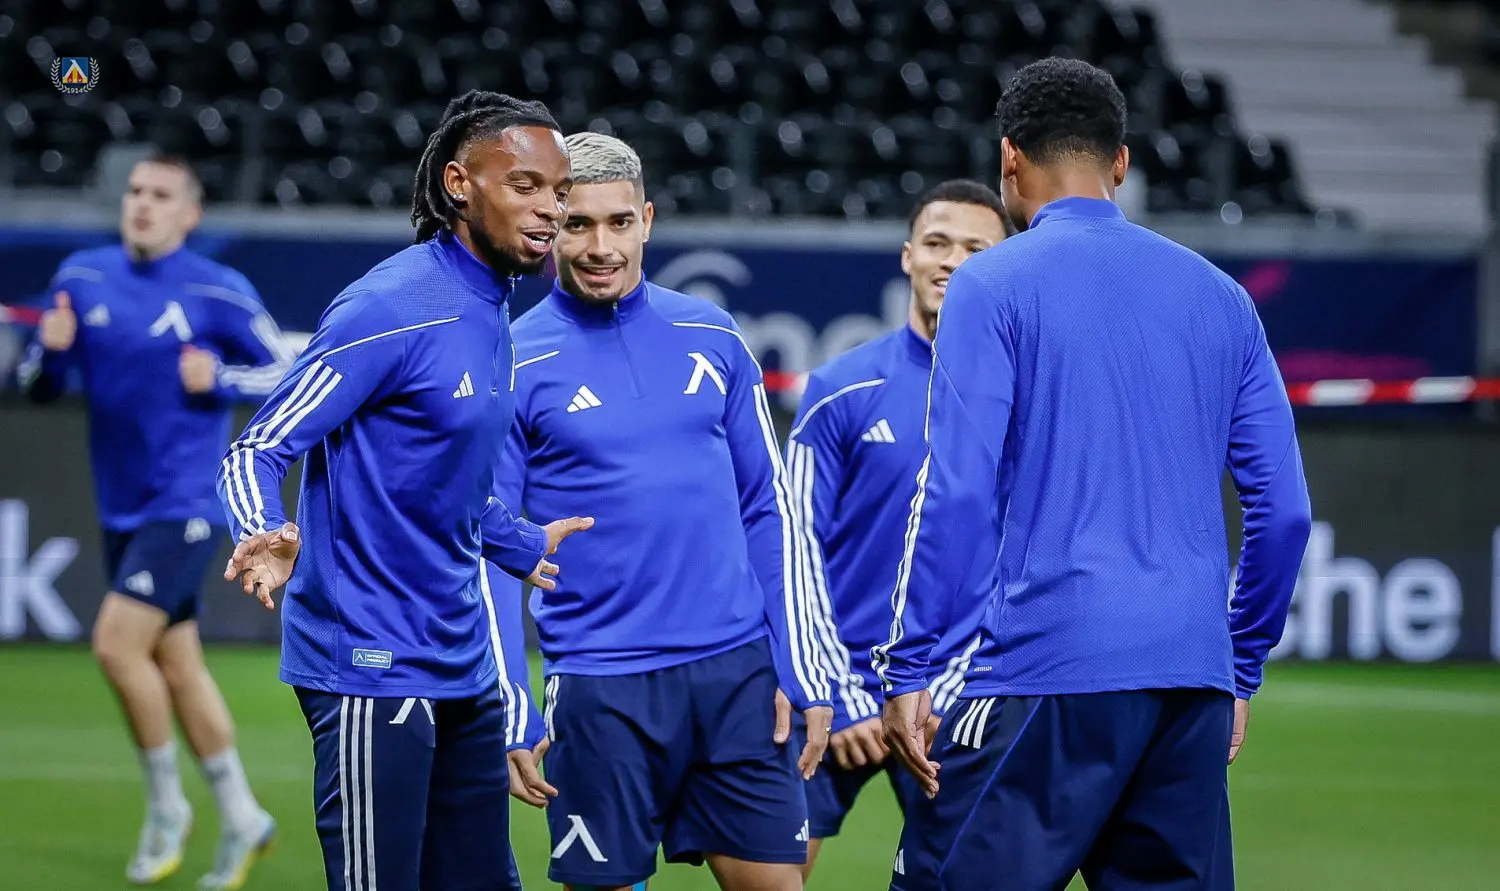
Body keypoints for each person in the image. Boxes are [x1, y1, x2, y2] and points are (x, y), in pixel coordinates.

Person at [875, 58, 1314, 891]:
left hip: (1045, 667)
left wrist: (909, 666)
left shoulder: (990, 284)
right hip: (1189, 679)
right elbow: (1285, 512)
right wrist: (1240, 661)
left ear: (1009, 158)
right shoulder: (1222, 297)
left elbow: (956, 489)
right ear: (1121, 162)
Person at [215, 91, 591, 891]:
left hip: (461, 664)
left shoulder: (493, 305)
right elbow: (257, 447)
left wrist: (518, 539)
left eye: (559, 191)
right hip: (370, 664)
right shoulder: (388, 307)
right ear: (459, 184)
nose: (550, 209)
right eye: (525, 185)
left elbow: (436, 478)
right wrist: (263, 527)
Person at [493, 132, 855, 891]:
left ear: (647, 220)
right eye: (578, 224)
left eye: (618, 222)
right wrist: (511, 700)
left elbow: (770, 509)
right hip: (600, 684)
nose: (601, 247)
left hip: (737, 676)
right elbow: (489, 547)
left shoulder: (713, 335)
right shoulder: (512, 359)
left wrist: (802, 663)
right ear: (549, 225)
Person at [18, 154, 288, 890]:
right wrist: (51, 355)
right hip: (121, 504)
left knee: (115, 645)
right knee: (177, 663)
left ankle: (168, 808)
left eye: (161, 195)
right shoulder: (82, 276)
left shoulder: (217, 289)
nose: (142, 203)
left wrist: (221, 379)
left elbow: (288, 371)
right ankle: (243, 815)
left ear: (189, 215)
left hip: (187, 501)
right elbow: (37, 383)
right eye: (135, 191)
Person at [784, 179, 1010, 879]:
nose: (952, 260)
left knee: (963, 880)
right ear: (908, 255)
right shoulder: (841, 387)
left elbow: (1028, 553)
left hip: (955, 699)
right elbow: (791, 542)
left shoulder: (1023, 396)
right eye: (937, 243)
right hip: (835, 695)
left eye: (976, 249)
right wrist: (838, 690)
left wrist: (950, 688)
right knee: (770, 873)